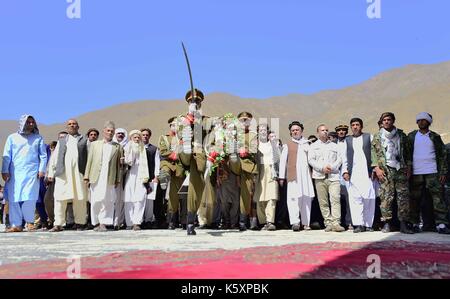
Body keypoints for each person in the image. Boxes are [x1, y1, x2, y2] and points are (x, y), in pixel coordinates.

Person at [2, 115, 47, 232]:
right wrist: (4, 170)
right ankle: (16, 225)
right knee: (14, 198)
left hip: (32, 172)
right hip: (14, 173)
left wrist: (42, 169)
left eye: (33, 122)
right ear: (22, 123)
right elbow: (6, 156)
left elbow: (43, 155)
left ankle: (30, 222)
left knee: (30, 197)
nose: (31, 124)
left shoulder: (38, 138)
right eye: (28, 122)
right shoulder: (12, 137)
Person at [371, 112, 414, 234]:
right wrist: (376, 168)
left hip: (400, 169)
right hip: (385, 170)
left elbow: (408, 153)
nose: (386, 121)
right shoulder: (377, 137)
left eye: (389, 119)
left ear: (393, 121)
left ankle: (404, 224)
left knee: (403, 197)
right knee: (386, 197)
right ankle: (387, 223)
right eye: (384, 120)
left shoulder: (401, 135)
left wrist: (409, 166)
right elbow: (373, 154)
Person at [408, 112, 450, 234]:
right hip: (416, 172)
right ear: (417, 122)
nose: (421, 122)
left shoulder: (435, 137)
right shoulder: (411, 136)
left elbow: (443, 156)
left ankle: (441, 224)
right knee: (415, 199)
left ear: (429, 122)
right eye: (419, 120)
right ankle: (414, 223)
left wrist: (443, 172)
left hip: (433, 172)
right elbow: (406, 153)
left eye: (424, 120)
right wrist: (409, 168)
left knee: (438, 198)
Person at [47, 119, 88, 232]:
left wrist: (88, 174)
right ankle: (58, 224)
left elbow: (89, 157)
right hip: (62, 173)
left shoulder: (84, 140)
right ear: (67, 127)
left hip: (79, 173)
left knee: (80, 198)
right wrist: (50, 173)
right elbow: (54, 158)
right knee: (60, 198)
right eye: (69, 124)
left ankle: (80, 223)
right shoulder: (61, 141)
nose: (72, 125)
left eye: (74, 124)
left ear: (78, 126)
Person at [84, 121, 123, 232]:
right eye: (108, 131)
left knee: (108, 200)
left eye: (112, 131)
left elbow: (118, 166)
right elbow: (89, 161)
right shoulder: (94, 144)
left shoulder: (117, 147)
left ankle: (104, 223)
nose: (110, 133)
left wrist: (118, 179)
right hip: (96, 176)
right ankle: (95, 222)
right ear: (104, 131)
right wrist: (86, 176)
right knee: (96, 200)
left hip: (110, 177)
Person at [279, 121, 315, 231]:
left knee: (306, 198)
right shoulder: (287, 145)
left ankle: (306, 223)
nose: (295, 131)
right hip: (293, 176)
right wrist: (281, 177)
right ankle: (295, 222)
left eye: (297, 129)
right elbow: (282, 162)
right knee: (293, 199)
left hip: (305, 177)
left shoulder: (307, 144)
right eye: (293, 130)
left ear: (301, 131)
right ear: (290, 132)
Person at [341, 118, 376, 233]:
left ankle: (368, 224)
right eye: (353, 125)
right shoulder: (347, 140)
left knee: (369, 198)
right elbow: (344, 157)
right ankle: (358, 224)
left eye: (357, 125)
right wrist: (345, 171)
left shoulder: (368, 137)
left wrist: (375, 168)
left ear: (361, 126)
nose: (355, 127)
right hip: (354, 174)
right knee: (355, 199)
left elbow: (375, 153)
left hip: (367, 173)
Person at [308, 124, 345, 232]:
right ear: (318, 132)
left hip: (333, 176)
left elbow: (340, 159)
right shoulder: (313, 146)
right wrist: (321, 168)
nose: (325, 132)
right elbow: (311, 160)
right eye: (322, 130)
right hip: (319, 177)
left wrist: (332, 167)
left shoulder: (335, 146)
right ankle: (328, 222)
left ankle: (336, 222)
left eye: (327, 130)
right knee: (323, 201)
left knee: (335, 199)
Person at [229, 112, 258, 231]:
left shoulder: (253, 135)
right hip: (233, 167)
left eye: (246, 120)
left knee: (246, 194)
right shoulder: (233, 135)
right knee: (230, 197)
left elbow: (254, 149)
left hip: (247, 167)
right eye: (242, 120)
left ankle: (243, 222)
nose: (244, 122)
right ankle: (229, 221)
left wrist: (244, 150)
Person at [158, 117, 185, 230]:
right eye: (173, 125)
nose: (175, 127)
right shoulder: (164, 137)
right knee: (171, 196)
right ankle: (171, 222)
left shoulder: (184, 139)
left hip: (180, 168)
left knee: (183, 196)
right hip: (169, 164)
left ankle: (184, 221)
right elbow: (163, 151)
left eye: (177, 125)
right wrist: (173, 154)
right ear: (170, 126)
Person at [254, 124, 280, 231]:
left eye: (265, 130)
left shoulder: (273, 145)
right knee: (259, 198)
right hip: (259, 172)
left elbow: (278, 158)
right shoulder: (255, 146)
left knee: (271, 197)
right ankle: (263, 221)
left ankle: (270, 221)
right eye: (260, 130)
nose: (263, 132)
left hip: (271, 171)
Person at [123, 130, 150, 230]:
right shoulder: (127, 147)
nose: (137, 139)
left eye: (138, 137)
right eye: (135, 137)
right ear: (131, 138)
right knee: (128, 198)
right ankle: (129, 222)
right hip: (130, 174)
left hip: (141, 174)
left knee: (140, 197)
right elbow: (127, 161)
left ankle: (137, 222)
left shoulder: (142, 148)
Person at [140, 128, 161, 228]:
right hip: (139, 178)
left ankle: (148, 220)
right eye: (143, 135)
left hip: (151, 177)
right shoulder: (137, 148)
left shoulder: (154, 149)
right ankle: (139, 220)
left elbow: (157, 163)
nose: (145, 136)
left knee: (149, 201)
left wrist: (156, 176)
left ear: (149, 136)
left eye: (146, 135)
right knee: (139, 199)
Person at [335, 124, 352, 230]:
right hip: (335, 174)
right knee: (337, 199)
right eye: (339, 130)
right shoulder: (332, 144)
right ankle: (338, 222)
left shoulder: (350, 142)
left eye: (343, 130)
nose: (341, 132)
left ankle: (350, 222)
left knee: (349, 198)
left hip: (347, 174)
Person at [112, 128, 128, 230]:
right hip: (112, 175)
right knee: (112, 199)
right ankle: (111, 220)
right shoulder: (111, 145)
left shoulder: (128, 145)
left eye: (122, 134)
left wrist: (125, 160)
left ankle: (119, 221)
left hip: (125, 175)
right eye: (118, 133)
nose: (120, 135)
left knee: (122, 199)